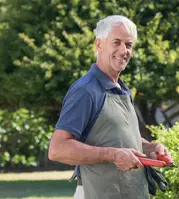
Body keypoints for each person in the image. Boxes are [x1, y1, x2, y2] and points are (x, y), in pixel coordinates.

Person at [48, 15, 171, 199]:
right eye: (116, 43)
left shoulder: (120, 89)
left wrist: (151, 147)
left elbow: (119, 139)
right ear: (99, 45)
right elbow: (58, 149)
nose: (123, 51)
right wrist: (113, 155)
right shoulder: (86, 90)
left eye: (128, 45)